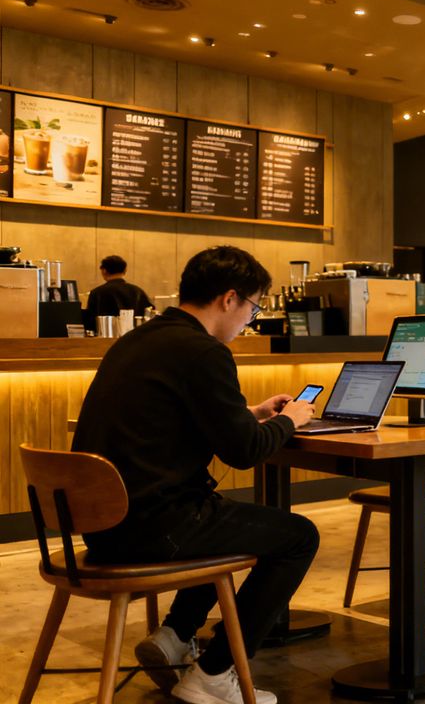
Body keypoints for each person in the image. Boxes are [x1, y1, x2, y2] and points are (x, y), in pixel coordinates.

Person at [73, 245, 317, 704]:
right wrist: (291, 421)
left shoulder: (141, 339)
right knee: (298, 536)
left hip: (102, 528)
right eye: (252, 308)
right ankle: (213, 672)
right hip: (150, 529)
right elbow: (244, 452)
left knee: (220, 516)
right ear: (229, 299)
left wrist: (252, 412)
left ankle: (174, 635)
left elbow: (177, 415)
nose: (249, 321)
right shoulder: (204, 352)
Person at [84, 254, 155, 331]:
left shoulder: (97, 293)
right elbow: (150, 314)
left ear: (104, 271)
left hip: (105, 337)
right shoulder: (138, 291)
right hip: (134, 337)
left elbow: (89, 321)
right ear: (125, 271)